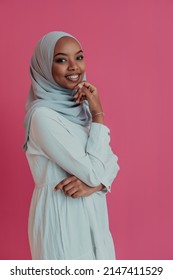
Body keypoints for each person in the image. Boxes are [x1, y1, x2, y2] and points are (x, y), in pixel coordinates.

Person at [23, 31, 120, 260]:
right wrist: (98, 113)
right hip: (61, 218)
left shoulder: (80, 110)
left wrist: (95, 186)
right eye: (61, 60)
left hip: (94, 215)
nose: (74, 67)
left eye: (78, 57)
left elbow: (112, 163)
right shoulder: (42, 117)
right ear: (44, 66)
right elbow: (95, 170)